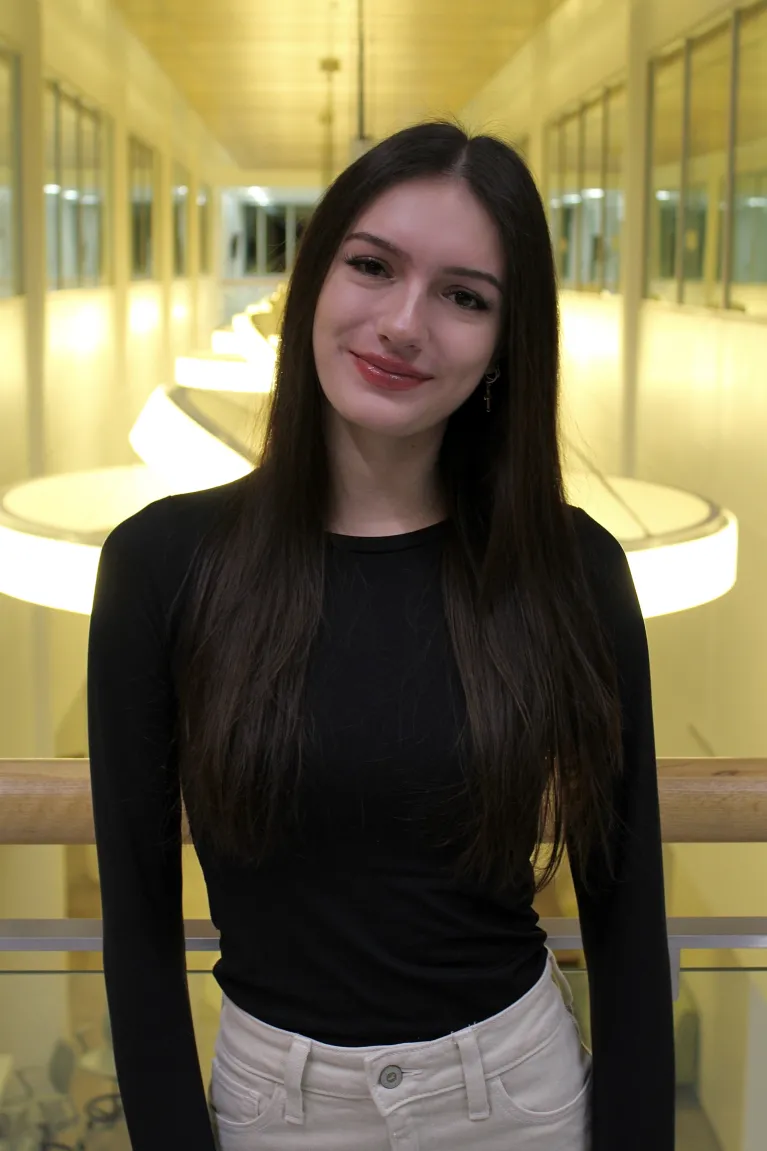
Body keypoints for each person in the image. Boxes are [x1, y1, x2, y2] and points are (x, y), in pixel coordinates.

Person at [87, 121, 675, 1151]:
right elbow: (136, 921)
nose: (403, 323)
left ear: (503, 345)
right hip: (274, 1108)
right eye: (371, 266)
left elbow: (626, 919)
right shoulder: (161, 563)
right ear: (312, 279)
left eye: (463, 296)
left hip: (517, 1100)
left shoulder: (571, 569)